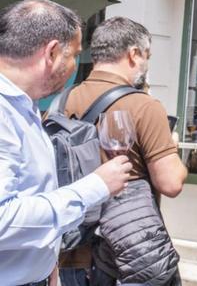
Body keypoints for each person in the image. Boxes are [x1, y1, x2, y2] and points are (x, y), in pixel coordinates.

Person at [0, 0, 131, 286]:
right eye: (74, 55)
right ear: (52, 52)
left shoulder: (25, 105)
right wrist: (94, 186)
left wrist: (49, 268)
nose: (76, 66)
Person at [62, 16, 188, 284]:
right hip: (121, 250)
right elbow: (171, 183)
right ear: (133, 54)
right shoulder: (143, 105)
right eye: (147, 56)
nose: (146, 64)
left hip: (70, 246)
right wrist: (172, 148)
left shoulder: (63, 98)